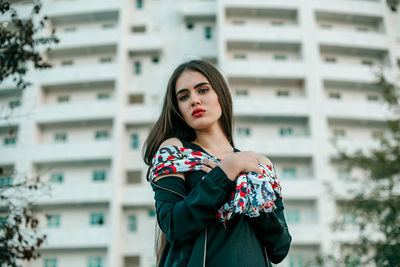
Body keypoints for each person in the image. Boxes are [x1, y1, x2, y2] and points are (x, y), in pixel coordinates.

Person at [143, 60, 291, 267]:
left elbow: (279, 247)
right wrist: (226, 172)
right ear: (179, 109)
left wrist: (252, 197)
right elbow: (174, 226)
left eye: (202, 90)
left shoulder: (258, 164)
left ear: (220, 94)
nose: (194, 100)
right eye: (184, 97)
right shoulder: (174, 151)